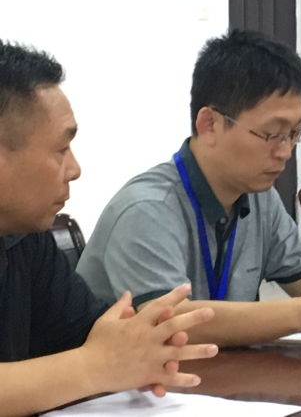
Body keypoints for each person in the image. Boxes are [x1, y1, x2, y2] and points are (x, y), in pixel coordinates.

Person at [77, 29, 301, 346]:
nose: (285, 151)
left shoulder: (260, 198)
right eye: (273, 134)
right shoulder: (147, 209)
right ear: (209, 125)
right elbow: (171, 322)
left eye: (295, 133)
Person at [0, 41, 218, 416]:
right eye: (61, 150)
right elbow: (95, 359)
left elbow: (89, 335)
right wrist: (94, 366)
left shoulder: (25, 237)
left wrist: (141, 348)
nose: (75, 169)